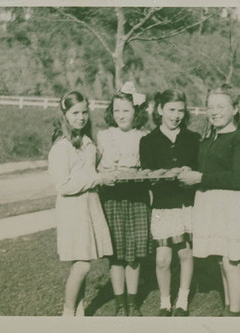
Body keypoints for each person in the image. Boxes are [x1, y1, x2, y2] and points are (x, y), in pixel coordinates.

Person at [178, 83, 240, 316]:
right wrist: (191, 169)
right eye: (210, 107)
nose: (214, 112)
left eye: (221, 107)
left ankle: (233, 315)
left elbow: (236, 178)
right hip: (210, 203)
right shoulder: (208, 139)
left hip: (232, 204)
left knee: (231, 261)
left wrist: (199, 177)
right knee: (223, 261)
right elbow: (206, 168)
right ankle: (227, 308)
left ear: (235, 109)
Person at [48, 91, 116, 316]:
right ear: (65, 115)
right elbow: (63, 185)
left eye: (84, 112)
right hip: (73, 209)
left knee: (83, 261)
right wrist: (98, 178)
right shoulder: (62, 146)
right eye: (75, 113)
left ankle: (79, 310)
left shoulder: (87, 143)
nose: (81, 117)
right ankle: (68, 312)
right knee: (82, 265)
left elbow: (90, 171)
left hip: (89, 205)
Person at [139, 89, 200, 316]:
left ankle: (182, 300)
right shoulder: (148, 141)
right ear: (160, 110)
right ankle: (165, 302)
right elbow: (148, 174)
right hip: (164, 206)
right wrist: (163, 174)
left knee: (185, 252)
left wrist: (189, 172)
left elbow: (198, 169)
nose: (176, 115)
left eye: (180, 110)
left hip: (187, 203)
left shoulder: (193, 139)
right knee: (163, 258)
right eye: (171, 110)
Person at [96, 82, 151, 316]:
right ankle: (120, 303)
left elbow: (148, 168)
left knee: (135, 255)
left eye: (126, 110)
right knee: (116, 254)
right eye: (117, 110)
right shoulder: (104, 136)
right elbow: (99, 167)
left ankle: (132, 301)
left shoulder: (144, 136)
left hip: (136, 196)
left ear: (136, 112)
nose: (121, 115)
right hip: (112, 197)